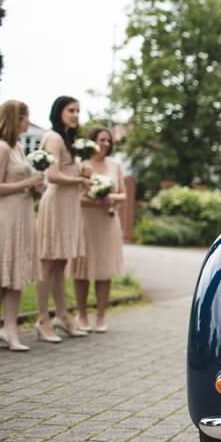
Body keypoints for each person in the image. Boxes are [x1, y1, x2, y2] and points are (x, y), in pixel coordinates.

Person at [0, 100, 44, 351]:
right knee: (0, 273)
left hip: (24, 212)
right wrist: (27, 182)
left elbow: (22, 181)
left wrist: (35, 187)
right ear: (14, 118)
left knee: (17, 271)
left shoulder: (17, 147)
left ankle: (9, 327)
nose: (27, 122)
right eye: (25, 117)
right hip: (6, 215)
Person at [35, 96, 92, 342]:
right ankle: (41, 319)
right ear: (59, 111)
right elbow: (53, 175)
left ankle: (62, 315)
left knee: (60, 265)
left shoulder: (70, 141)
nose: (76, 114)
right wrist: (79, 180)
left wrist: (83, 173)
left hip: (70, 206)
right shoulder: (53, 138)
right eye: (71, 110)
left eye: (78, 111)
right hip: (56, 203)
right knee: (48, 264)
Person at [71, 126, 126, 333]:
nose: (105, 144)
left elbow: (123, 194)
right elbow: (76, 196)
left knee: (104, 270)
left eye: (108, 141)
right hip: (86, 221)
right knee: (82, 270)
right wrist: (95, 200)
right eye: (102, 140)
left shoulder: (115, 165)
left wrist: (110, 198)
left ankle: (101, 316)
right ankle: (82, 315)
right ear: (92, 141)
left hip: (108, 222)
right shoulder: (81, 164)